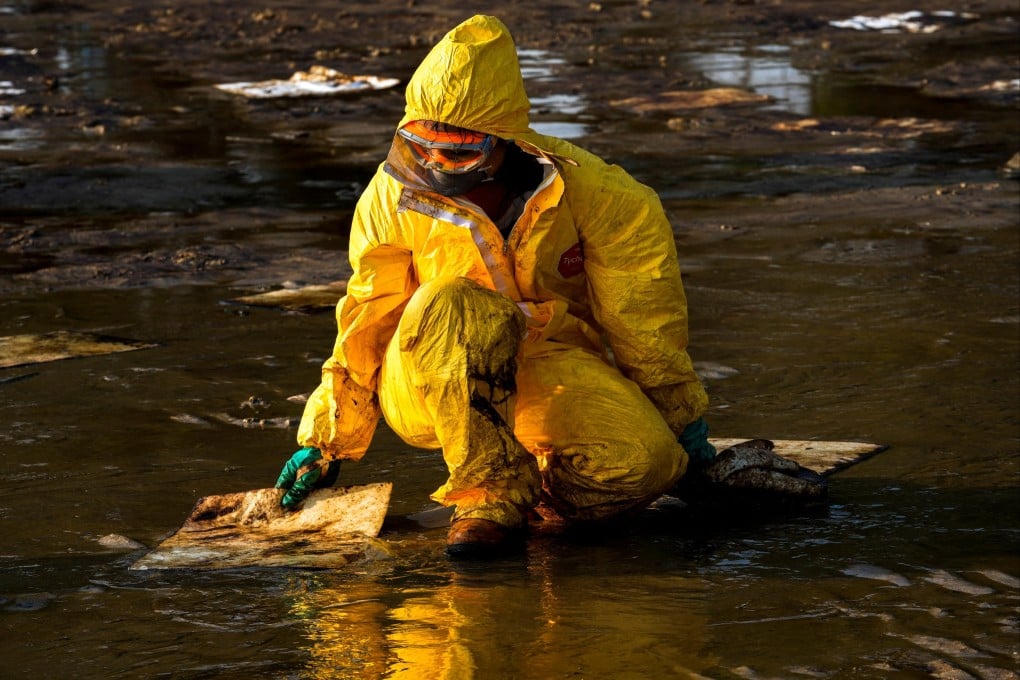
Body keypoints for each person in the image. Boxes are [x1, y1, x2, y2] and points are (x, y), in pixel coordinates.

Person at [274, 14, 716, 559]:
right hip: (426, 376)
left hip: (543, 362)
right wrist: (327, 441)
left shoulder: (601, 194)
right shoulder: (390, 199)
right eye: (422, 147)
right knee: (455, 302)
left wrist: (681, 421)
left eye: (460, 152)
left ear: (504, 140)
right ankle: (489, 492)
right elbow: (368, 313)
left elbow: (643, 316)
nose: (437, 164)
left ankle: (534, 493)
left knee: (646, 466)